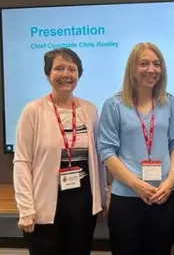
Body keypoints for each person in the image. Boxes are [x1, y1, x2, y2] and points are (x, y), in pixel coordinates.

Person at [13, 48, 107, 255]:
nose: (66, 74)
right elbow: (22, 162)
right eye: (59, 68)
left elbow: (98, 160)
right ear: (48, 74)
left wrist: (101, 198)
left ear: (79, 74)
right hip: (45, 204)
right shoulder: (33, 110)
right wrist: (26, 209)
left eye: (72, 69)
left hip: (83, 201)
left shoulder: (89, 110)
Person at [98, 42, 174, 255]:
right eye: (144, 63)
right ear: (132, 69)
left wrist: (171, 180)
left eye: (156, 64)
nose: (151, 70)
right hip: (127, 198)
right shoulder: (113, 105)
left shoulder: (169, 102)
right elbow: (107, 152)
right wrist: (136, 184)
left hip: (164, 196)